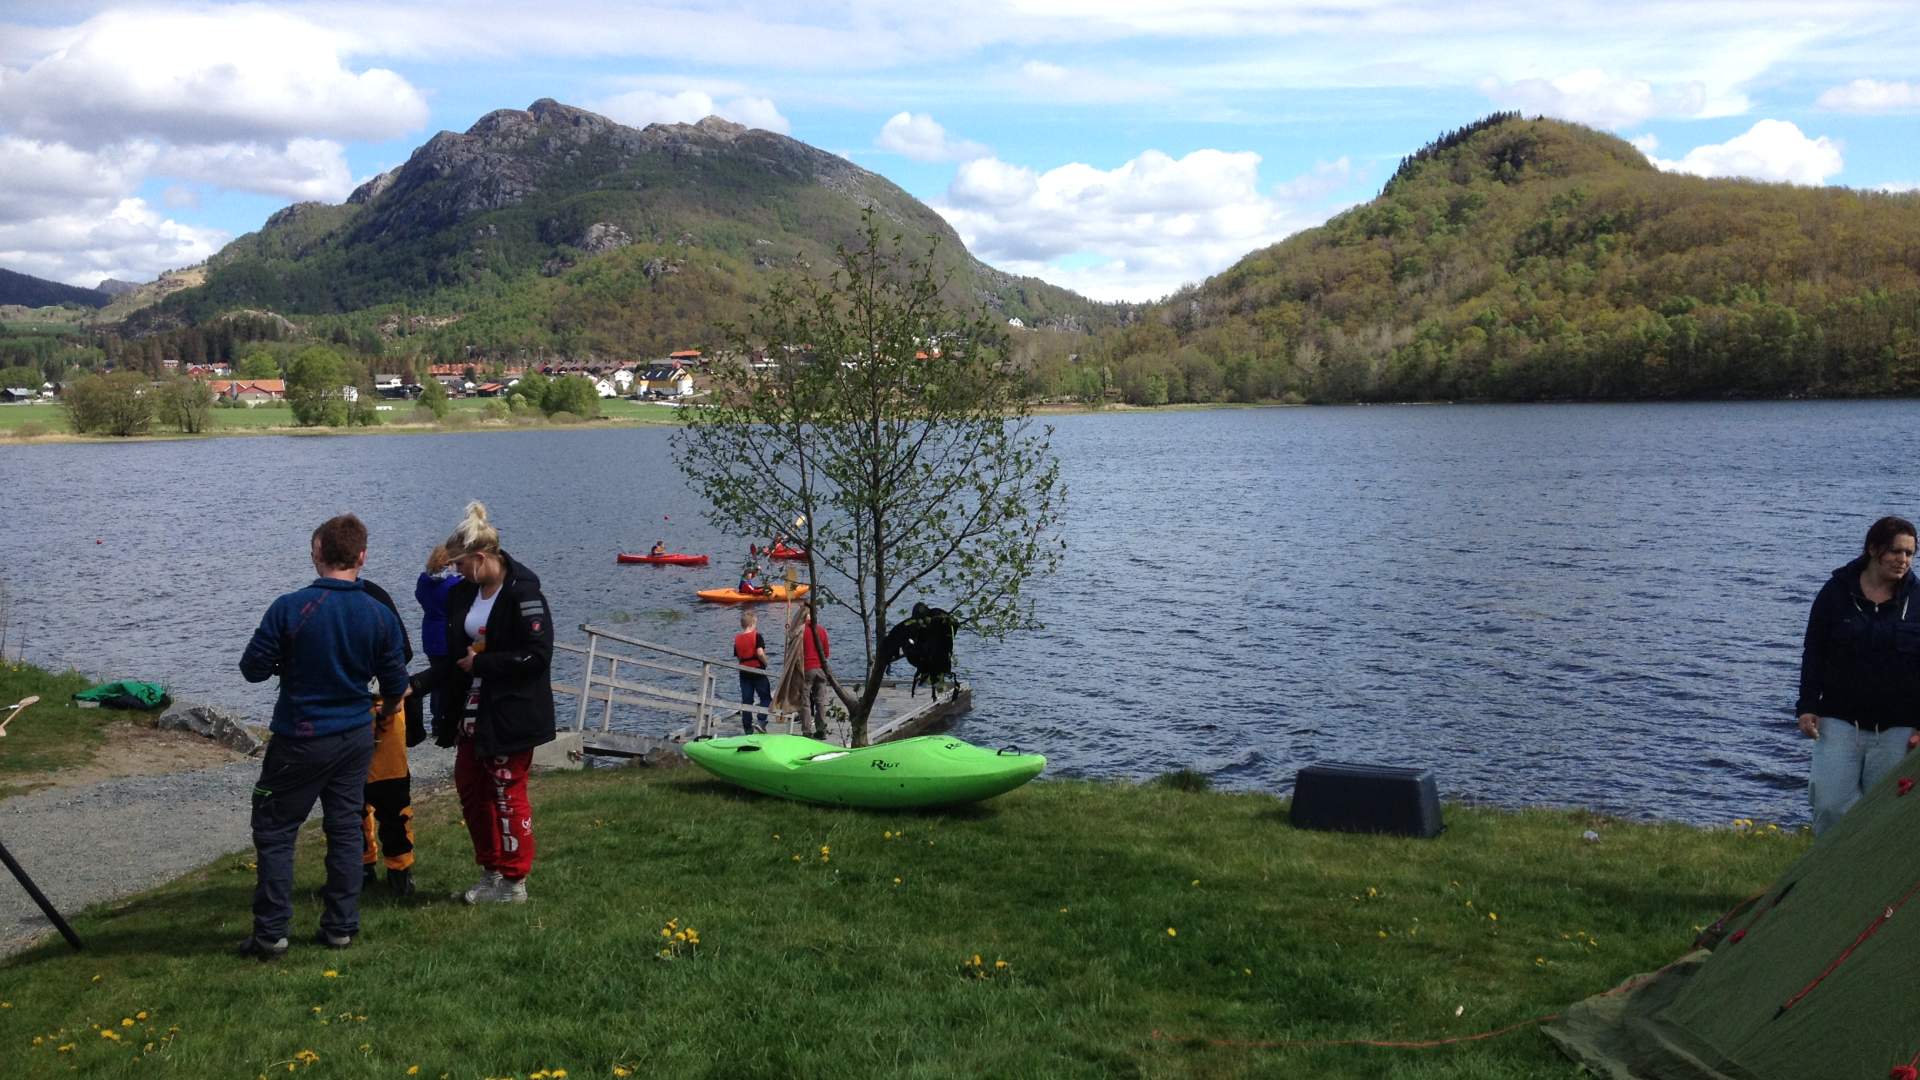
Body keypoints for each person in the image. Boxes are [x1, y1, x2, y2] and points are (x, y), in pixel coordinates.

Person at [237, 514, 409, 959]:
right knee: (347, 827)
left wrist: (285, 662)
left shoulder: (289, 607)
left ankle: (272, 932)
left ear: (317, 552)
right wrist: (385, 713)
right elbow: (395, 686)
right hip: (354, 735)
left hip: (300, 736)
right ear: (362, 556)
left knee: (275, 829)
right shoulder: (380, 615)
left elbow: (251, 668)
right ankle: (340, 927)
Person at [412, 501, 556, 904]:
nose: (455, 571)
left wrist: (485, 663)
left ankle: (514, 882)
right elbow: (453, 657)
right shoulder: (462, 595)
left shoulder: (524, 592)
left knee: (508, 791)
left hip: (512, 710)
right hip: (470, 711)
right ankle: (490, 871)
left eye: (459, 564)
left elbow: (538, 654)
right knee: (471, 788)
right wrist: (418, 684)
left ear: (480, 558)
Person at [1796, 515, 1920, 835]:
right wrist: (1807, 705)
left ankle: (1874, 884)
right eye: (1896, 551)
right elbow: (1814, 651)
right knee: (1829, 806)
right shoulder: (1836, 593)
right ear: (1873, 549)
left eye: (1910, 553)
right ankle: (1824, 880)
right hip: (1839, 722)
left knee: (1887, 815)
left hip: (1898, 730)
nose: (1903, 560)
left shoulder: (1918, 599)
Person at [359, 578, 422, 898]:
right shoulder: (318, 601)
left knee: (392, 796)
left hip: (383, 707)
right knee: (347, 800)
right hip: (346, 712)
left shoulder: (374, 596)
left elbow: (405, 652)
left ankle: (400, 870)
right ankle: (361, 867)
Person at [733, 608, 772, 734]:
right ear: (752, 624)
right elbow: (760, 652)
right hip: (757, 669)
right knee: (765, 698)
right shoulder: (757, 636)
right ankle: (761, 720)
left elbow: (738, 656)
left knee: (747, 700)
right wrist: (765, 662)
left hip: (744, 671)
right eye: (755, 624)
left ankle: (747, 727)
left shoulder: (737, 639)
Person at [799, 604, 831, 739]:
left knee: (805, 701)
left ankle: (807, 731)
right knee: (820, 701)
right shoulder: (821, 631)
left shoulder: (801, 631)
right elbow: (827, 653)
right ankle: (821, 730)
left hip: (807, 669)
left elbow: (796, 653)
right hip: (821, 669)